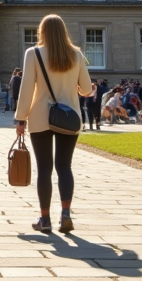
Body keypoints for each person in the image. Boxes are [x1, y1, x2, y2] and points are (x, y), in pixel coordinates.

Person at [14, 14, 94, 234]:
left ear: (42, 32)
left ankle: (45, 218)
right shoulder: (76, 54)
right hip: (69, 117)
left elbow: (27, 88)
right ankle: (66, 214)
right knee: (64, 167)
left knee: (44, 170)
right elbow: (86, 89)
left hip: (40, 116)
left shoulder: (34, 53)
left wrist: (21, 118)